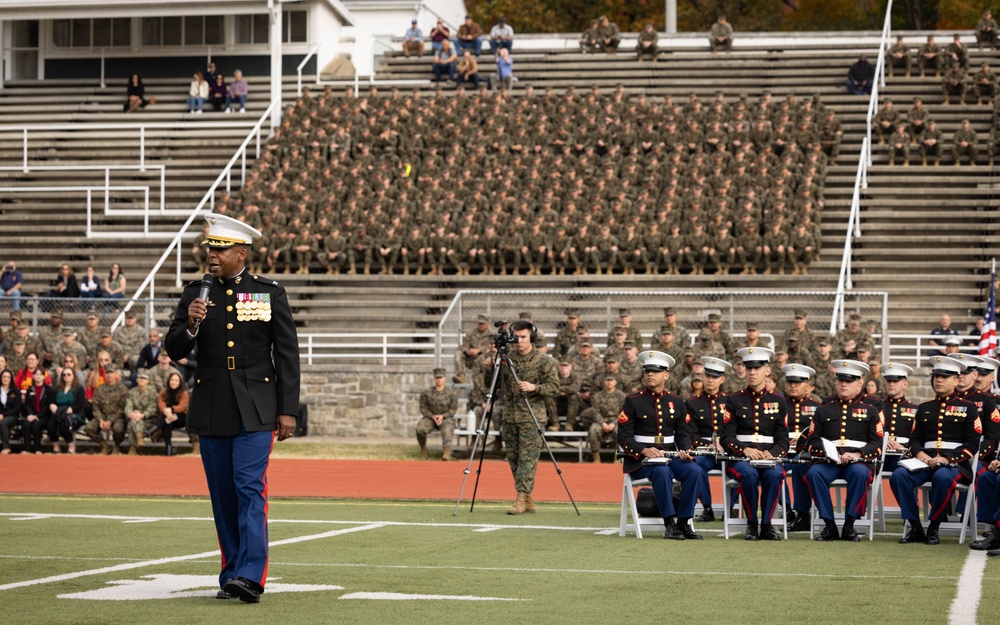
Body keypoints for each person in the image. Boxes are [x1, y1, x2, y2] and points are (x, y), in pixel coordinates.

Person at [165, 212, 300, 603]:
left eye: (221, 249)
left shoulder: (267, 292)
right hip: (211, 403)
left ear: (241, 253)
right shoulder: (195, 294)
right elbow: (174, 349)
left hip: (257, 404)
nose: (212, 255)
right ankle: (231, 573)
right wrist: (190, 326)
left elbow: (286, 353)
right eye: (210, 248)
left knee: (249, 487)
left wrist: (287, 408)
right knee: (223, 495)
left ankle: (251, 575)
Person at [890, 356, 980, 545]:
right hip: (924, 462)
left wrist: (947, 458)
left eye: (944, 377)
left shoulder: (969, 408)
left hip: (954, 465)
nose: (938, 380)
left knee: (943, 477)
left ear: (956, 380)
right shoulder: (924, 408)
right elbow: (914, 439)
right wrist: (921, 455)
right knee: (898, 476)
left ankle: (934, 526)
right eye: (936, 376)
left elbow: (972, 444)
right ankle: (915, 526)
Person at [618, 350, 707, 540]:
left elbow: (682, 433)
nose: (650, 374)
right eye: (647, 371)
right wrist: (643, 450)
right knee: (661, 471)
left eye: (656, 371)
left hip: (669, 456)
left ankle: (683, 522)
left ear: (666, 375)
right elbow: (623, 435)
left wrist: (685, 450)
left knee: (695, 471)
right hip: (641, 461)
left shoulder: (676, 402)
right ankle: (669, 523)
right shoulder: (633, 401)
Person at [804, 360, 883, 542]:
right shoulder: (823, 409)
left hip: (857, 462)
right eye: (841, 380)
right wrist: (829, 454)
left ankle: (849, 524)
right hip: (830, 462)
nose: (844, 384)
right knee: (814, 474)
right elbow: (812, 441)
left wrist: (857, 454)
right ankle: (829, 524)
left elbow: (876, 443)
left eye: (849, 380)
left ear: (860, 383)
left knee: (860, 473)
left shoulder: (871, 411)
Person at [721, 347, 789, 541]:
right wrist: (745, 449)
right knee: (749, 474)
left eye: (757, 368)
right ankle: (752, 523)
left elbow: (782, 438)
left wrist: (774, 453)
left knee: (775, 474)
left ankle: (766, 524)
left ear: (767, 371)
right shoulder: (733, 400)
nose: (752, 372)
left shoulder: (778, 401)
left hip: (768, 457)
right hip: (741, 459)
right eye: (748, 368)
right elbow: (726, 437)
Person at [494, 319, 557, 515]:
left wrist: (534, 387)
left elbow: (554, 387)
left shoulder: (544, 360)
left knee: (527, 460)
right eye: (517, 337)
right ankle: (527, 498)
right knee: (513, 458)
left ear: (532, 337)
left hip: (532, 416)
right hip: (510, 417)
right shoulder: (507, 359)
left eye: (523, 337)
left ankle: (521, 498)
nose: (519, 341)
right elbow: (495, 385)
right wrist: (491, 367)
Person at [685, 357, 731, 522]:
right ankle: (707, 508)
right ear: (703, 377)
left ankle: (730, 508)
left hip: (727, 449)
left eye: (715, 377)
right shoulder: (692, 403)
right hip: (704, 450)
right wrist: (708, 445)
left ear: (722, 379)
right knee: (696, 465)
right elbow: (690, 432)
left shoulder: (730, 402)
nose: (711, 380)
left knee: (738, 466)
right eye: (708, 376)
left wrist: (723, 444)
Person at [881, 362, 917, 474]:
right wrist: (882, 441)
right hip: (880, 452)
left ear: (905, 384)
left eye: (895, 381)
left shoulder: (915, 409)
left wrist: (903, 446)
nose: (891, 384)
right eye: (889, 381)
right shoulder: (877, 407)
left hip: (904, 453)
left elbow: (918, 435)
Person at [84, 365, 128, 455]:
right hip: (103, 416)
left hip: (117, 417)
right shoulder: (99, 389)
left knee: (118, 429)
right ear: (104, 374)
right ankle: (104, 446)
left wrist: (110, 421)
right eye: (107, 373)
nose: (109, 375)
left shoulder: (122, 389)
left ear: (115, 373)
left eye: (111, 372)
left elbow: (123, 408)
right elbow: (95, 407)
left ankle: (116, 446)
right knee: (89, 428)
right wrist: (100, 419)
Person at [415, 368, 458, 461]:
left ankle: (447, 452)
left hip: (446, 418)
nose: (439, 380)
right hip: (431, 418)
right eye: (437, 378)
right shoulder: (426, 393)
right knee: (420, 429)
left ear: (445, 378)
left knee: (447, 429)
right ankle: (423, 449)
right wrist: (432, 416)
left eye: (441, 377)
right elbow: (423, 408)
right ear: (434, 379)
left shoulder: (452, 393)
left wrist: (443, 416)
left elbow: (453, 409)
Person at [581, 375, 625, 463]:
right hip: (601, 421)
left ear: (615, 382)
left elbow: (623, 412)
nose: (609, 382)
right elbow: (595, 412)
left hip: (616, 421)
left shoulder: (621, 396)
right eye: (607, 380)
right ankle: (596, 458)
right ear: (604, 382)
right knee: (593, 430)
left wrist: (614, 423)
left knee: (620, 431)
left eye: (611, 380)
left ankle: (618, 458)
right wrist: (602, 423)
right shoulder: (597, 396)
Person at [154, 371, 190, 457]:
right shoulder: (164, 392)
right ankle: (168, 448)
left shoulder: (184, 393)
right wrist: (166, 411)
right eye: (172, 380)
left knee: (168, 419)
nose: (173, 382)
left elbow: (182, 407)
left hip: (181, 417)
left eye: (176, 380)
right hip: (168, 417)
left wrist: (171, 409)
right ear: (169, 381)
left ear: (180, 382)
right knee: (167, 424)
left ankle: (154, 428)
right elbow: (161, 403)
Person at [49, 366, 84, 454]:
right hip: (58, 412)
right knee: (50, 424)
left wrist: (70, 409)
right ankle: (56, 447)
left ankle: (71, 447)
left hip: (74, 413)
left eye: (69, 374)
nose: (66, 376)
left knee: (64, 422)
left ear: (73, 376)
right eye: (64, 375)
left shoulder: (79, 388)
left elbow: (80, 405)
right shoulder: (57, 388)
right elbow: (52, 401)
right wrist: (52, 406)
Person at [20, 368, 55, 454]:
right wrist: (30, 415)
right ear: (33, 376)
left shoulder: (49, 390)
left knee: (36, 425)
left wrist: (38, 416)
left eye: (40, 374)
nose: (38, 376)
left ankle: (37, 449)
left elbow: (48, 406)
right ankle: (26, 449)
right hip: (32, 414)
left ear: (44, 377)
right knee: (26, 424)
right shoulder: (29, 389)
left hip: (44, 416)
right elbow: (27, 404)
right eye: (36, 374)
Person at [124, 370, 158, 455]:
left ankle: (132, 448)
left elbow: (153, 408)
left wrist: (141, 415)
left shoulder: (152, 392)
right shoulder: (131, 392)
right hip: (134, 418)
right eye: (140, 378)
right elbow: (128, 406)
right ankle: (138, 438)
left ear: (148, 381)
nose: (142, 380)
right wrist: (130, 414)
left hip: (148, 420)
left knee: (133, 423)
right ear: (136, 380)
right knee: (133, 422)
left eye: (144, 378)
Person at [0, 370, 23, 454]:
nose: (5, 379)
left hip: (12, 416)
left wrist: (3, 415)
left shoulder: (15, 391)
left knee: (3, 423)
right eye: (4, 377)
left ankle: (6, 447)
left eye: (8, 377)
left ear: (11, 379)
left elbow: (16, 409)